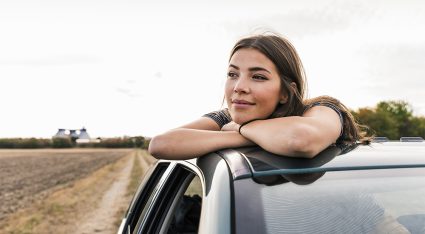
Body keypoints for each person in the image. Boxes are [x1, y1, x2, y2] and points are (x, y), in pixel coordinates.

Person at [149, 33, 370, 160]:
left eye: (258, 77)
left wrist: (240, 130)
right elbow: (161, 144)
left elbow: (300, 140)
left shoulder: (321, 109)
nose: (239, 87)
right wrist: (245, 134)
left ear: (285, 92)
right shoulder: (225, 118)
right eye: (232, 74)